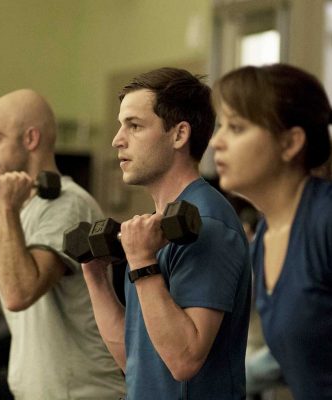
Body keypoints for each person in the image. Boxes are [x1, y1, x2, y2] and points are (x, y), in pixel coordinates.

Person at [0, 89, 125, 400]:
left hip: (74, 392)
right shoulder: (22, 208)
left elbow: (18, 294)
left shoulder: (66, 205)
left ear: (30, 139)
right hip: (22, 385)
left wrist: (6, 210)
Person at [82, 67, 252, 399]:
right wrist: (96, 278)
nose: (118, 139)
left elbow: (185, 359)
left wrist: (143, 262)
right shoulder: (152, 229)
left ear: (178, 135)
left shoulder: (206, 223)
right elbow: (135, 360)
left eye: (134, 126)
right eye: (121, 126)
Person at [210, 63, 332, 399]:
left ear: (290, 143)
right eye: (221, 125)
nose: (216, 141)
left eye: (236, 127)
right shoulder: (266, 235)